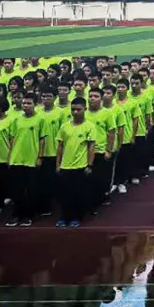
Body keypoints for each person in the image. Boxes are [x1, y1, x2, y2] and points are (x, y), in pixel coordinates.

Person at [6, 93, 45, 227]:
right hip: (17, 159)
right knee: (17, 190)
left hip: (31, 159)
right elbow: (11, 139)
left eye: (29, 103)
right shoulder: (16, 120)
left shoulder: (40, 119)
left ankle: (28, 216)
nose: (26, 106)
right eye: (24, 103)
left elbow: (42, 140)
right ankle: (17, 214)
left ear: (35, 104)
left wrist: (39, 157)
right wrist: (10, 157)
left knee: (31, 190)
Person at [55, 97, 95, 228]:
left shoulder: (89, 126)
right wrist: (58, 165)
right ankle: (63, 217)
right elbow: (60, 146)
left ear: (85, 109)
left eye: (79, 109)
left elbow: (91, 147)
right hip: (65, 166)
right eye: (73, 109)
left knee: (78, 194)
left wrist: (89, 165)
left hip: (80, 166)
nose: (75, 112)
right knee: (64, 194)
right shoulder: (64, 127)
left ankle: (75, 217)